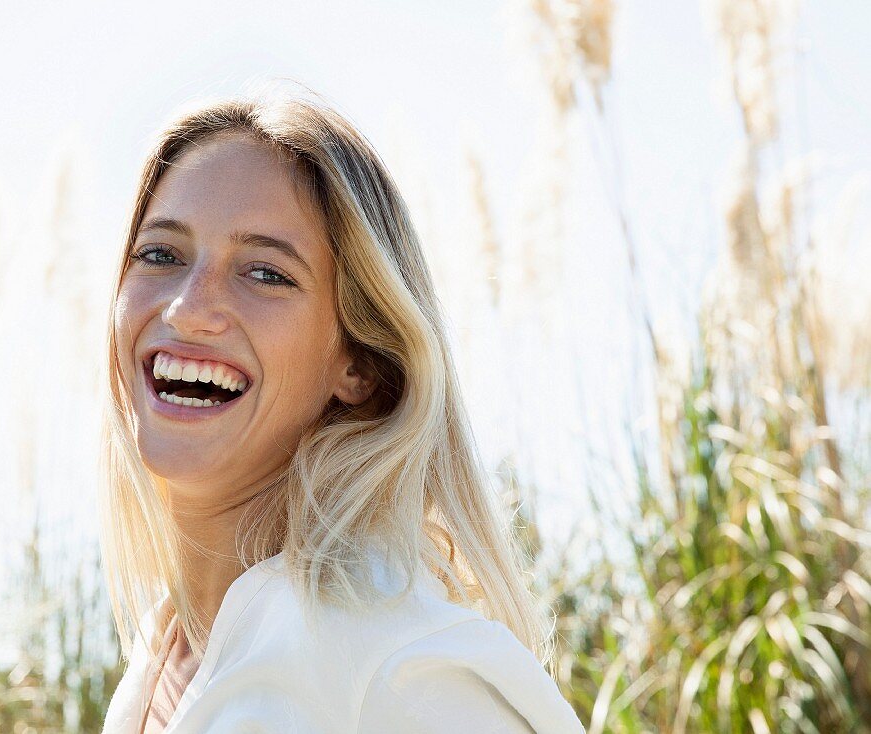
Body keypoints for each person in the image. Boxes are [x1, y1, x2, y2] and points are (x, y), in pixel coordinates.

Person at [98, 87, 585, 733]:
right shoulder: (159, 663)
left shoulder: (407, 669)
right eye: (161, 254)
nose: (187, 309)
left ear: (360, 365)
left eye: (266, 273)